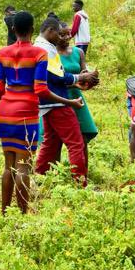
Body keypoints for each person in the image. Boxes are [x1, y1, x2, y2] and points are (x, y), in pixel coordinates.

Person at [0, 11, 78, 213]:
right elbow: (41, 89)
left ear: (13, 29)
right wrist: (69, 101)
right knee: (23, 166)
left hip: (4, 113)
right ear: (32, 29)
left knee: (8, 166)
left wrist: (11, 100)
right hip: (26, 114)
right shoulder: (38, 54)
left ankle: (5, 212)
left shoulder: (2, 53)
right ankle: (23, 214)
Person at [34, 17, 95, 185]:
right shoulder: (47, 49)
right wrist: (79, 77)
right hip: (58, 101)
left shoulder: (38, 46)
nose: (62, 38)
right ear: (51, 31)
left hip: (46, 103)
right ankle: (80, 183)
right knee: (76, 143)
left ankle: (39, 179)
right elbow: (56, 75)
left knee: (50, 142)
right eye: (59, 34)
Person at [60, 25, 98, 146]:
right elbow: (52, 80)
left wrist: (91, 78)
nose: (67, 37)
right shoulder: (51, 55)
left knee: (82, 140)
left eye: (69, 34)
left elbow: (83, 74)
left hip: (77, 98)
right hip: (59, 97)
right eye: (63, 35)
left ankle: (82, 165)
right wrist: (75, 83)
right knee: (56, 141)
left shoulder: (78, 52)